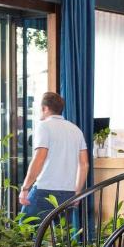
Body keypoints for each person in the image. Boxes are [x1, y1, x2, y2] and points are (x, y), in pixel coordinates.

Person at [18, 91, 88, 221]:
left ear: (44, 108)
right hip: (68, 193)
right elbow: (84, 164)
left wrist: (25, 187)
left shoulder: (44, 126)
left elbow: (39, 158)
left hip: (45, 190)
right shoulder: (76, 130)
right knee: (58, 237)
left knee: (24, 232)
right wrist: (77, 192)